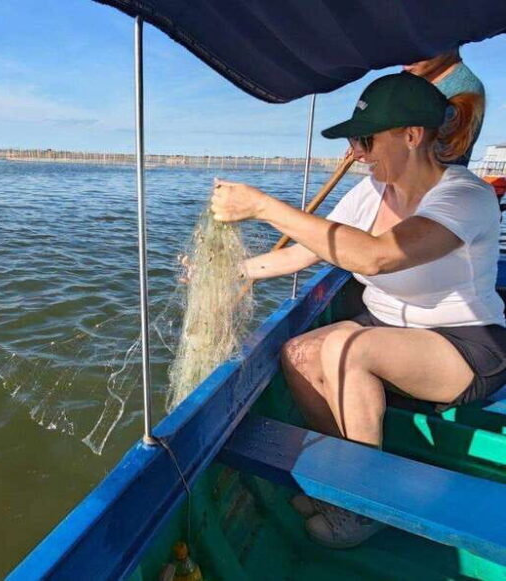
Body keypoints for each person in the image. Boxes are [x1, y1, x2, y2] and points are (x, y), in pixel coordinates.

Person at [210, 72, 506, 549]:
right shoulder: (370, 191)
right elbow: (307, 252)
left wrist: (263, 206)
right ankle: (345, 477)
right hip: (385, 330)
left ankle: (360, 506)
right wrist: (236, 272)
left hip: (464, 343)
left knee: (349, 350)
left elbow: (374, 255)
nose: (356, 152)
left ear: (411, 136)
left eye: (365, 139)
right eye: (353, 140)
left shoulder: (464, 196)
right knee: (298, 354)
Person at [404, 47, 485, 166]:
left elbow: (425, 166)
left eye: (421, 40)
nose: (405, 64)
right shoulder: (412, 80)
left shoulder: (464, 91)